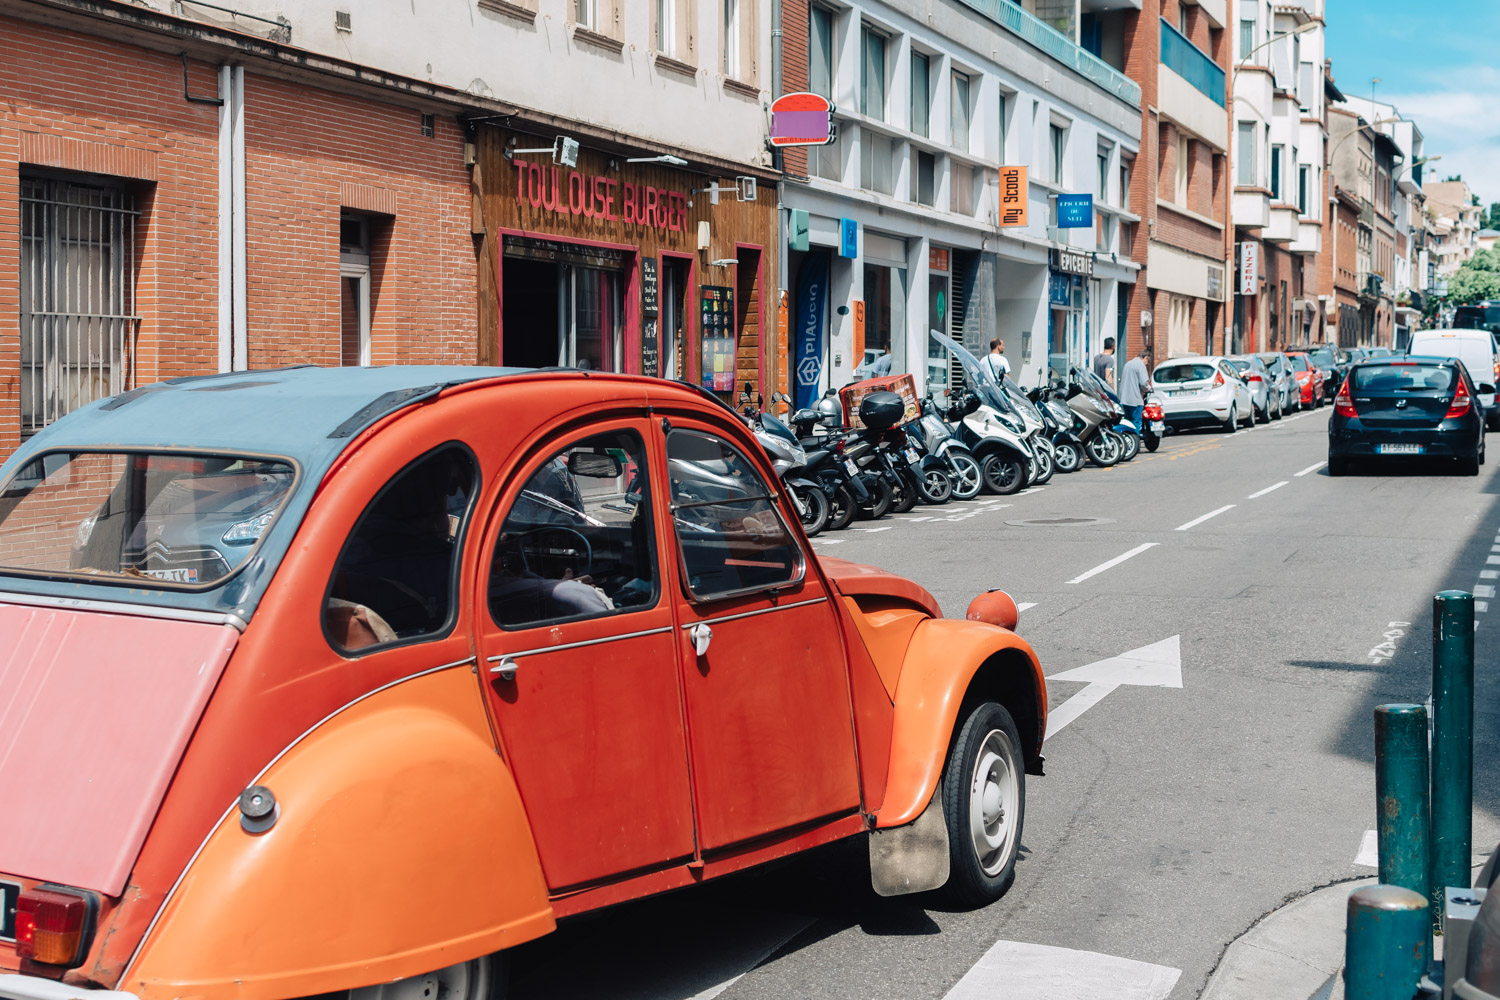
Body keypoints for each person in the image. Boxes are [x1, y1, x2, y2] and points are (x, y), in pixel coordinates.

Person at [1119, 344, 1151, 433]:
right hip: (1135, 400)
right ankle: (1135, 442)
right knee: (1136, 423)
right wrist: (1148, 388)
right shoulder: (1140, 365)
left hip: (1124, 399)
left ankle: (1128, 442)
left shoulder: (1128, 364)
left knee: (1127, 422)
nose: (1147, 364)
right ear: (1146, 358)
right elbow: (1144, 383)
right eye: (1147, 362)